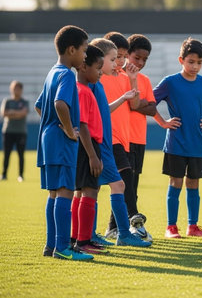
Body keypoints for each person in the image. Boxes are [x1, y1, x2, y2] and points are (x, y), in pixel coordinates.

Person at [35, 25, 93, 260]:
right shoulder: (68, 74)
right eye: (84, 50)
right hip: (61, 140)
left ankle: (51, 246)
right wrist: (69, 131)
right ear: (71, 50)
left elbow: (40, 105)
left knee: (54, 194)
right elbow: (60, 104)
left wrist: (52, 126)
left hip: (48, 139)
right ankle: (63, 248)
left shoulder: (53, 71)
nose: (86, 55)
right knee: (66, 192)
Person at [153, 37, 202, 238]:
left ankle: (193, 227)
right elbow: (149, 103)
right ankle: (171, 227)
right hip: (176, 143)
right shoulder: (170, 82)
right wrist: (163, 122)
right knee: (175, 182)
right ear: (181, 60)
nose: (195, 66)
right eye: (191, 62)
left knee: (194, 183)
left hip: (196, 144)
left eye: (199, 62)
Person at [89, 39, 151, 248]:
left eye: (122, 57)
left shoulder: (123, 77)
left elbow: (134, 104)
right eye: (117, 57)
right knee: (122, 180)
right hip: (108, 139)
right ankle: (131, 223)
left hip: (123, 140)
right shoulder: (97, 79)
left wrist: (132, 80)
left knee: (98, 186)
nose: (120, 61)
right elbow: (99, 111)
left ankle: (105, 230)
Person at [71, 44, 108, 256]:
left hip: (85, 147)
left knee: (80, 191)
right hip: (88, 147)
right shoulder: (83, 91)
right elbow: (83, 125)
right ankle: (83, 241)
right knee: (90, 191)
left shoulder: (80, 90)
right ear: (84, 66)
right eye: (98, 67)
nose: (101, 72)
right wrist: (93, 156)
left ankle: (76, 237)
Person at [126, 34, 157, 240]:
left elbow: (153, 109)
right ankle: (128, 223)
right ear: (127, 54)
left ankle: (117, 226)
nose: (141, 63)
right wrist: (140, 104)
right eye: (137, 57)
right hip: (121, 137)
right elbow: (132, 104)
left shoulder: (144, 80)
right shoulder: (117, 76)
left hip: (139, 138)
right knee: (123, 186)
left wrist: (141, 104)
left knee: (133, 185)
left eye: (145, 59)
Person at [1, 80, 28, 182]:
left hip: (21, 132)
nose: (15, 90)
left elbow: (24, 113)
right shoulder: (7, 101)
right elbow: (4, 113)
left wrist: (11, 113)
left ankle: (21, 175)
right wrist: (18, 113)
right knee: (6, 154)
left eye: (17, 88)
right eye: (14, 88)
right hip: (8, 131)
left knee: (21, 155)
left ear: (21, 90)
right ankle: (4, 174)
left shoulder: (24, 102)